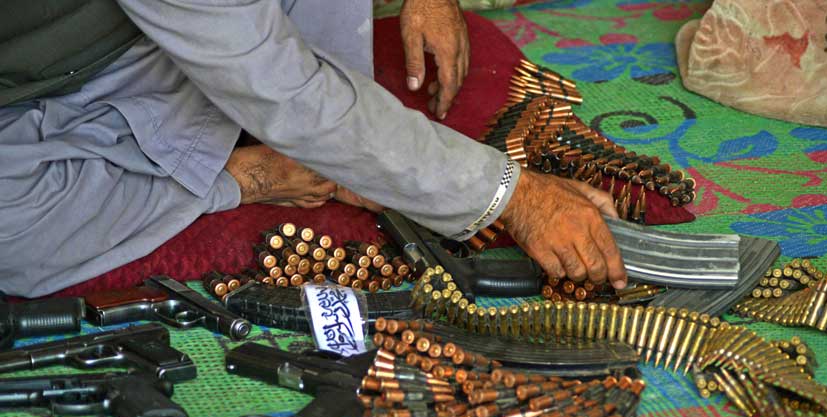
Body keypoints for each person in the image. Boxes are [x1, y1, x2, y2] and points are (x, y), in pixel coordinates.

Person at [0, 0, 625, 298]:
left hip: (173, 35)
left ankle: (337, 149)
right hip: (37, 86)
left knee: (296, 98)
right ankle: (250, 173)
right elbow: (283, 88)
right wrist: (511, 195)